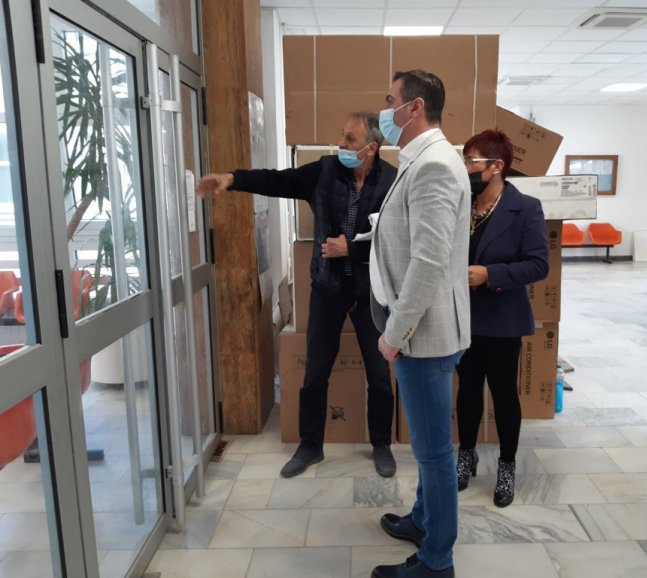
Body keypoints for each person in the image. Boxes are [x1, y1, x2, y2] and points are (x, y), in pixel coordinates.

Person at [196, 112, 398, 478]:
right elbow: (277, 180)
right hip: (327, 289)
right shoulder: (324, 172)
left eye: (350, 140)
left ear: (371, 147)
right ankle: (310, 446)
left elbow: (397, 241)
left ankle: (381, 444)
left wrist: (350, 249)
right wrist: (233, 179)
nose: (341, 145)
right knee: (315, 373)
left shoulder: (392, 182)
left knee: (379, 374)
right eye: (341, 136)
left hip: (371, 292)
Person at [369, 70, 470, 578]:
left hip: (423, 337)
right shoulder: (421, 160)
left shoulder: (433, 165)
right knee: (432, 448)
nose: (384, 110)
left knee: (433, 454)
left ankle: (436, 562)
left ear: (416, 107)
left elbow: (428, 263)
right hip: (426, 332)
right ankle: (423, 520)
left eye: (391, 100)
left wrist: (394, 334)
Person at [455, 129, 549, 508]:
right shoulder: (461, 205)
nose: (465, 168)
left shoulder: (525, 208)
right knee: (466, 391)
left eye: (471, 161)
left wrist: (489, 274)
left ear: (496, 166)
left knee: (504, 394)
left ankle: (507, 465)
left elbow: (538, 264)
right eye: (464, 160)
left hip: (501, 319)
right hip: (462, 316)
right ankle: (466, 454)